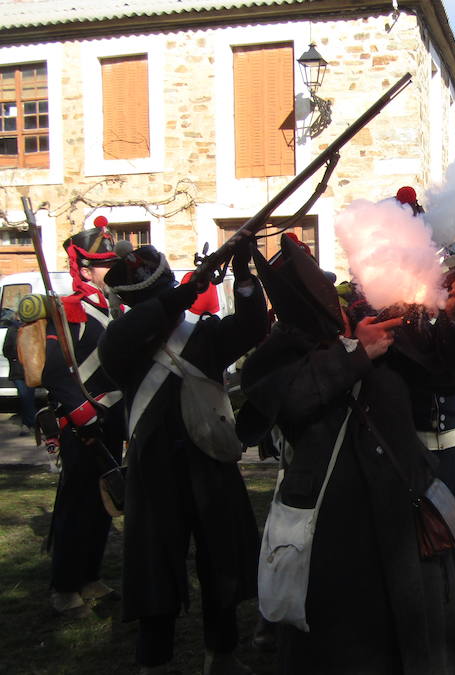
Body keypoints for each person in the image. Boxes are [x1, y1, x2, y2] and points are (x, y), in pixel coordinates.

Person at [99, 241, 267, 675]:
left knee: (223, 561)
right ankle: (153, 661)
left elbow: (251, 329)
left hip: (208, 459)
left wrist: (244, 276)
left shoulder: (202, 333)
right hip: (154, 469)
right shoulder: (123, 339)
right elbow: (139, 328)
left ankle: (222, 652)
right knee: (154, 566)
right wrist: (186, 291)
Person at [40, 224, 126, 617]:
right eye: (102, 265)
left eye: (112, 263)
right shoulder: (69, 311)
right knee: (77, 505)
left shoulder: (119, 309)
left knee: (103, 503)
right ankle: (64, 586)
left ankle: (89, 576)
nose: (111, 270)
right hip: (82, 425)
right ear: (85, 270)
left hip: (113, 419)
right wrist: (81, 413)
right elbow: (55, 371)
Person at [2, 312, 37, 435]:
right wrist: (16, 358)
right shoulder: (14, 330)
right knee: (25, 396)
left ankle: (30, 423)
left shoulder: (30, 328)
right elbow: (6, 349)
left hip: (28, 368)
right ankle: (30, 423)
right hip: (20, 369)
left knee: (28, 396)